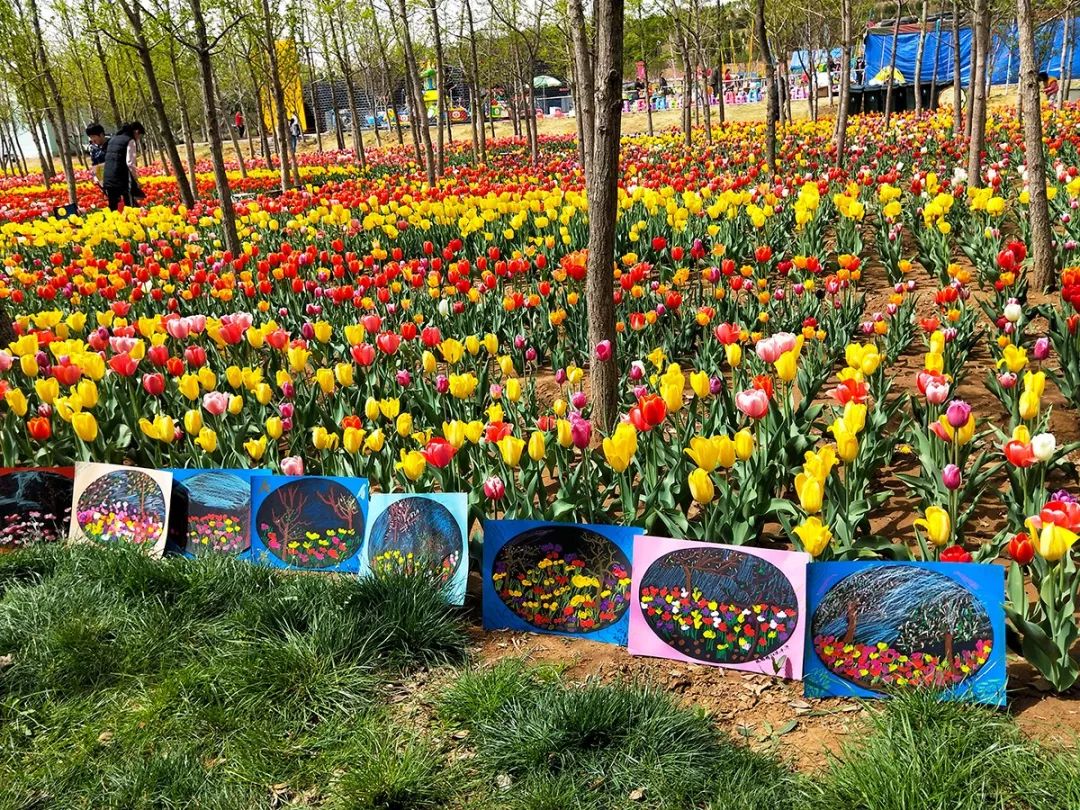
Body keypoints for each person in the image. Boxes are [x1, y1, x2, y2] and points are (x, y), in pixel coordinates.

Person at [102, 121, 145, 211]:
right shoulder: (130, 140)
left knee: (113, 207)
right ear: (136, 132)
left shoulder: (113, 139)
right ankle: (132, 223)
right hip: (121, 177)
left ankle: (115, 223)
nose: (138, 139)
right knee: (129, 205)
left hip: (108, 177)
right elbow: (130, 163)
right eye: (139, 137)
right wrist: (136, 180)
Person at [85, 123, 109, 188]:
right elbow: (95, 164)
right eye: (90, 137)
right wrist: (95, 177)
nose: (92, 139)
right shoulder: (94, 148)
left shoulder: (112, 145)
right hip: (103, 182)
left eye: (93, 136)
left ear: (101, 134)